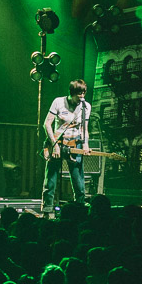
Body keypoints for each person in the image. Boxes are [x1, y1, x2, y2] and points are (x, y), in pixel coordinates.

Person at [41, 79, 91, 209]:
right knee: (51, 177)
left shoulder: (86, 106)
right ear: (71, 92)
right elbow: (47, 124)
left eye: (84, 93)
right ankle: (47, 207)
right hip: (58, 141)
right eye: (79, 93)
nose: (81, 96)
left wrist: (85, 144)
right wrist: (54, 145)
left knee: (77, 176)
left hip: (75, 142)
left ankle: (80, 205)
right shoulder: (58, 102)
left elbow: (84, 128)